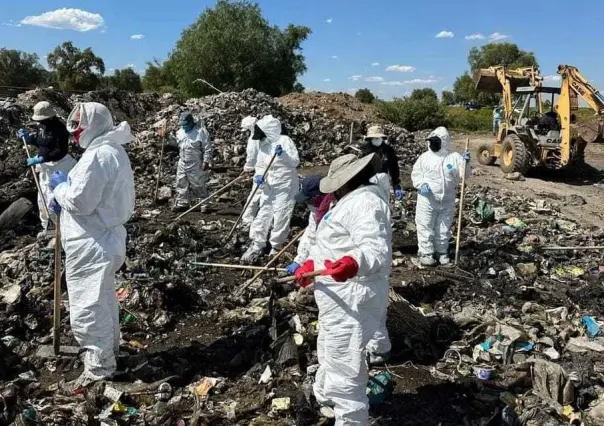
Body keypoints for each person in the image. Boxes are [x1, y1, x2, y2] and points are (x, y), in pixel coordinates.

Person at [293, 153, 392, 425]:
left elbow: (376, 250)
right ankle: (325, 395)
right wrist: (312, 265)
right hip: (338, 298)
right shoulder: (349, 202)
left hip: (353, 297)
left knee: (345, 366)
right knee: (328, 349)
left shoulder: (365, 203)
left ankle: (351, 418)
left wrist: (353, 263)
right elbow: (335, 245)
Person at [49, 102, 135, 387]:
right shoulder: (112, 150)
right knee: (105, 301)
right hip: (104, 239)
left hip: (91, 244)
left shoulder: (98, 155)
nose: (75, 135)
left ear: (95, 125)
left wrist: (60, 189)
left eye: (79, 128)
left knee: (88, 308)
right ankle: (109, 354)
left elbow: (81, 202)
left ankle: (98, 371)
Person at [241, 115, 299, 263]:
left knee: (281, 216)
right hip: (268, 184)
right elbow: (261, 164)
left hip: (285, 185)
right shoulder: (263, 144)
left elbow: (295, 162)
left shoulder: (285, 141)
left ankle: (275, 247)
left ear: (269, 130)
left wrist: (284, 155)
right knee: (263, 214)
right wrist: (258, 177)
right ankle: (257, 244)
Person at [411, 126, 471, 267]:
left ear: (443, 142)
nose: (432, 144)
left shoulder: (454, 157)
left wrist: (466, 163)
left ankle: (441, 252)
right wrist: (421, 184)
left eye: (435, 141)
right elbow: (416, 174)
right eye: (431, 141)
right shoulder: (424, 158)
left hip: (447, 200)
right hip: (427, 200)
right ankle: (426, 253)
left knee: (443, 228)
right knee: (425, 225)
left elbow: (464, 175)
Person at [16, 101, 76, 239]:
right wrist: (28, 138)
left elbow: (60, 151)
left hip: (58, 166)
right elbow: (40, 140)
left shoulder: (59, 129)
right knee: (42, 199)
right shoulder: (42, 126)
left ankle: (59, 228)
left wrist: (42, 158)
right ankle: (47, 227)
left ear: (49, 117)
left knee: (53, 199)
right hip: (45, 167)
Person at [170, 111, 213, 213]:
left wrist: (206, 161)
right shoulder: (180, 132)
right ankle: (182, 203)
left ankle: (204, 203)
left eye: (185, 125)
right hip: (182, 161)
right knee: (181, 182)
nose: (184, 127)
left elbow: (207, 148)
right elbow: (177, 145)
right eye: (182, 125)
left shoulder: (200, 132)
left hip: (196, 162)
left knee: (198, 183)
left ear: (191, 122)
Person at [360, 125, 404, 202]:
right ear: (370, 139)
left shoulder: (388, 150)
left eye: (378, 138)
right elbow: (359, 169)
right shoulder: (364, 151)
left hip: (383, 181)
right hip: (367, 182)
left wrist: (396, 184)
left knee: (384, 203)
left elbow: (394, 167)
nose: (377, 140)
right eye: (374, 138)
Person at [240, 116, 262, 232]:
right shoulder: (266, 134)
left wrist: (247, 169)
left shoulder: (254, 139)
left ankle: (247, 220)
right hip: (270, 171)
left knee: (254, 196)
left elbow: (252, 158)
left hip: (262, 172)